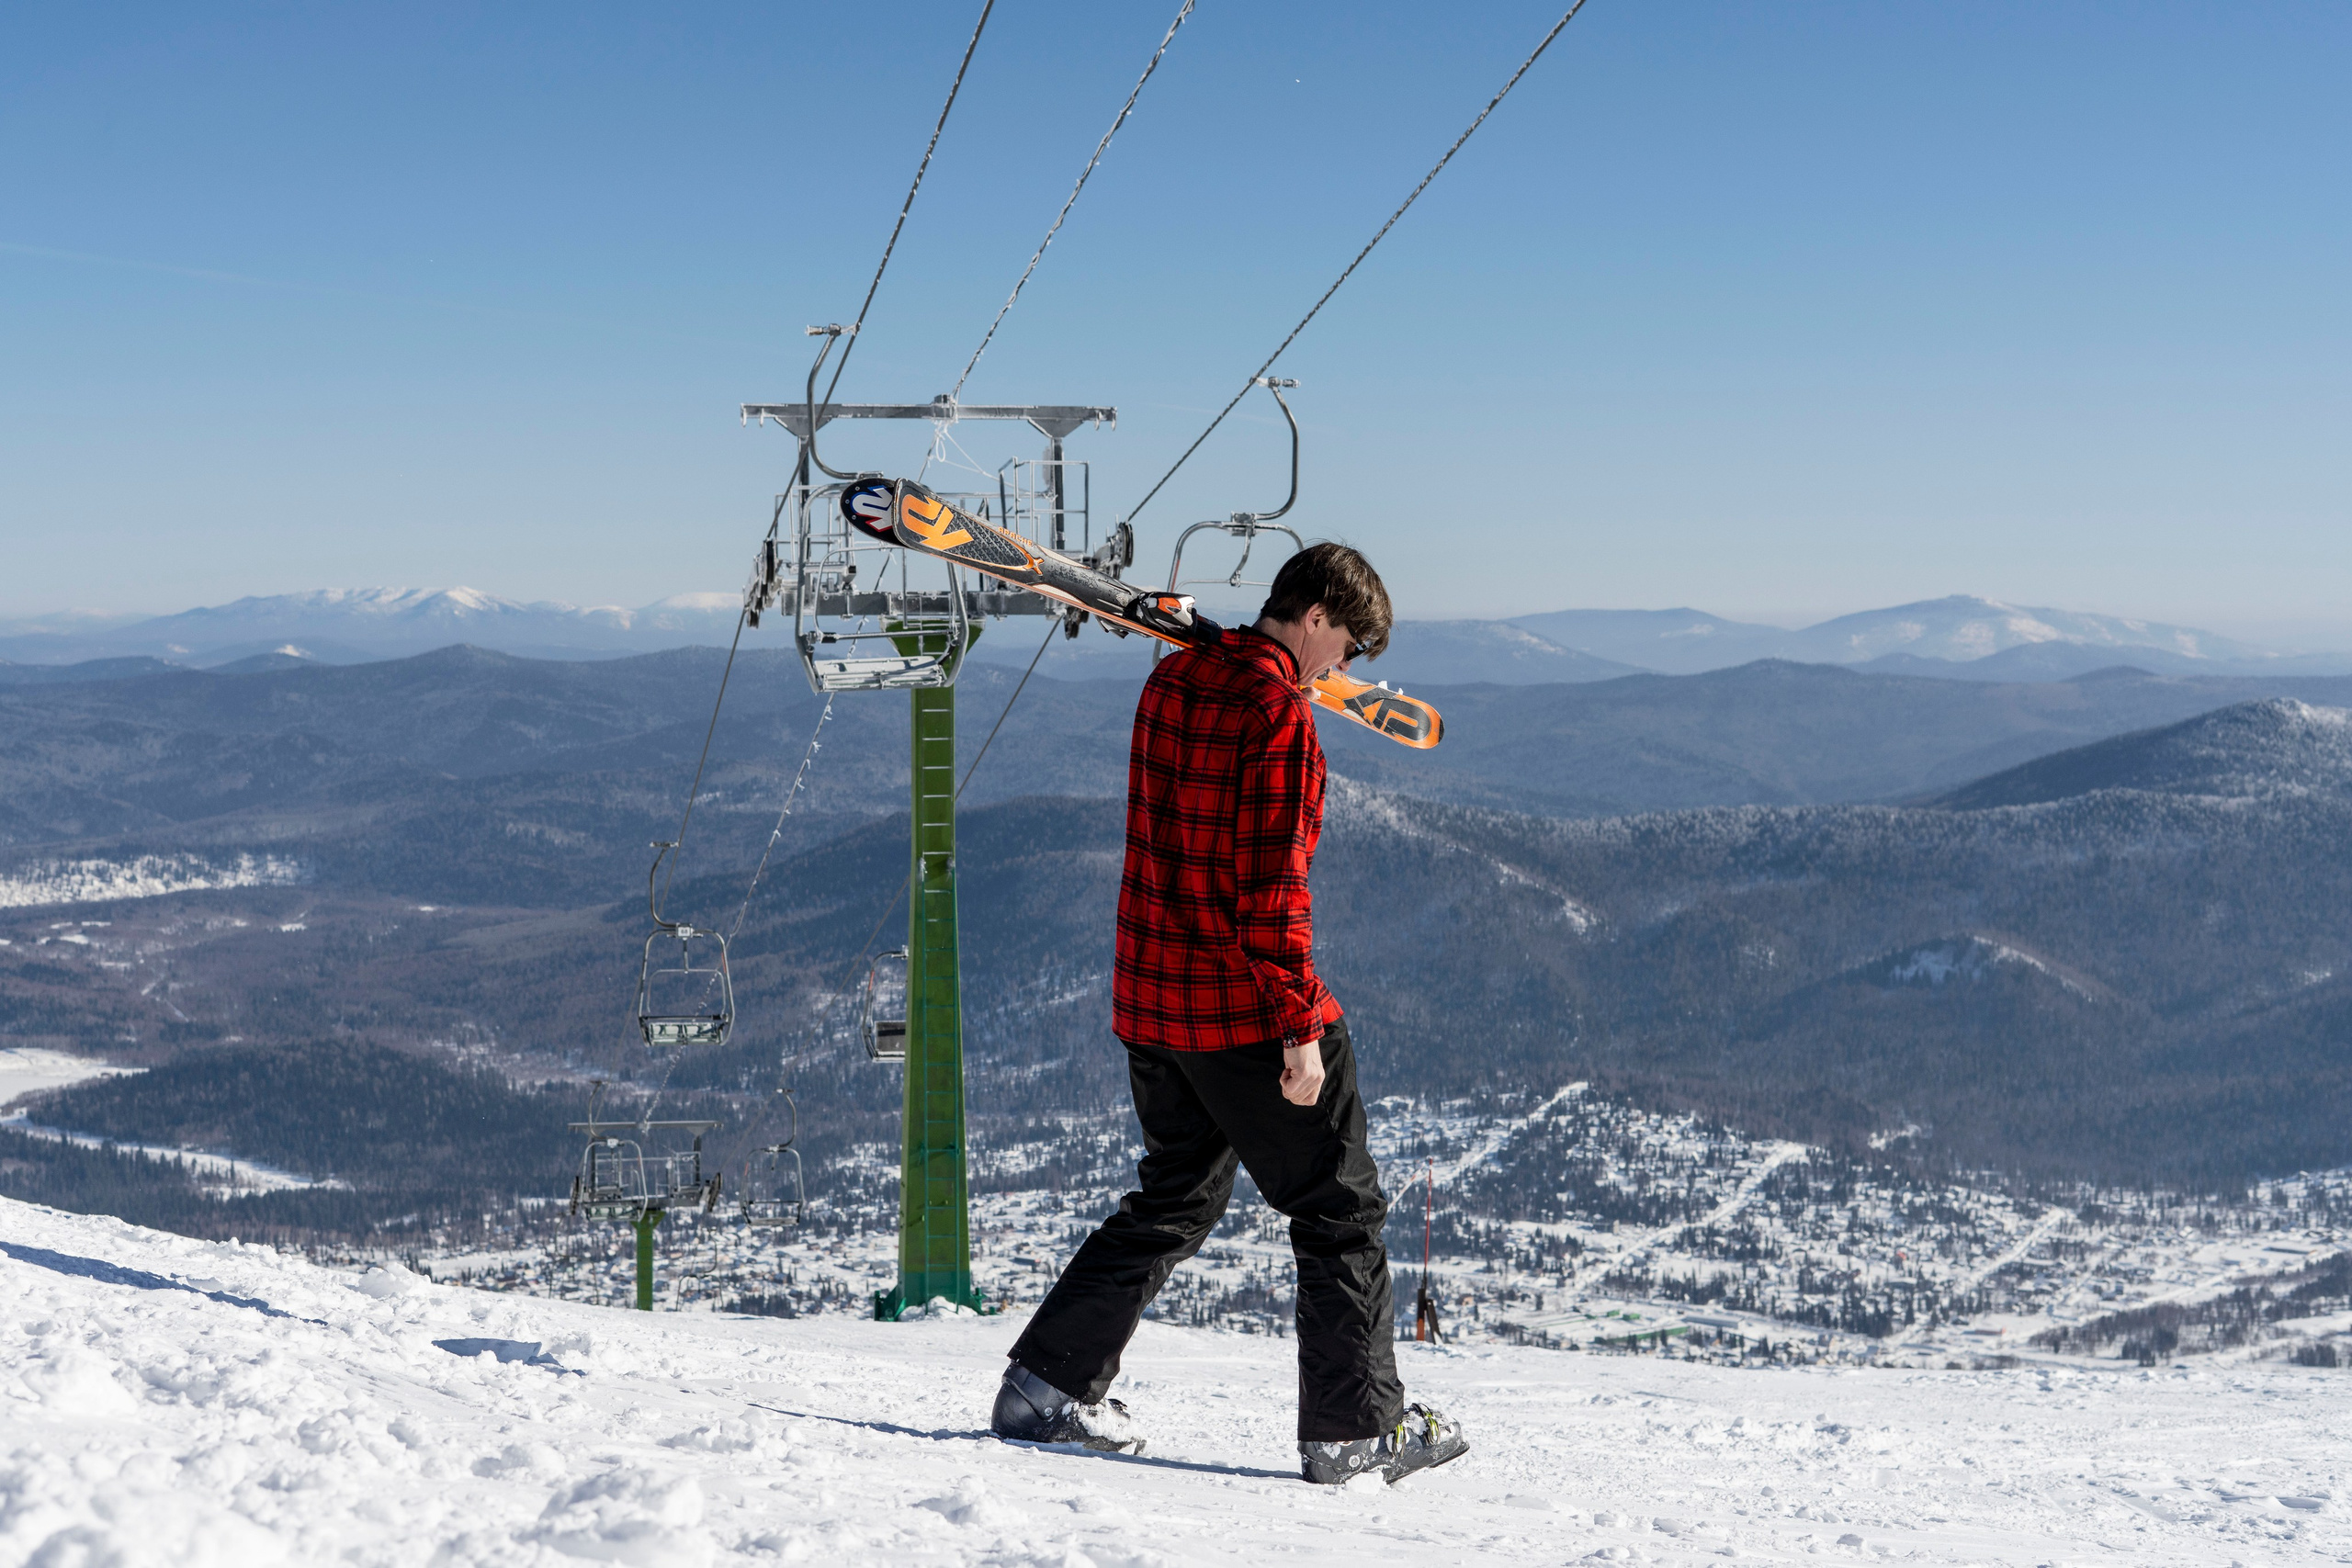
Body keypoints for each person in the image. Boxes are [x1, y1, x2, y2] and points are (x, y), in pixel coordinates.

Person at [989, 542, 1469, 1486]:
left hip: (1152, 1000)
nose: (1345, 672)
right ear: (1321, 616)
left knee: (1173, 1197)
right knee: (1338, 1209)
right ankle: (1353, 1431)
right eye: (1349, 649)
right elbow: (1272, 892)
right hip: (1243, 1009)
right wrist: (1298, 1030)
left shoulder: (1173, 681)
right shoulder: (1280, 722)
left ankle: (1043, 1388)